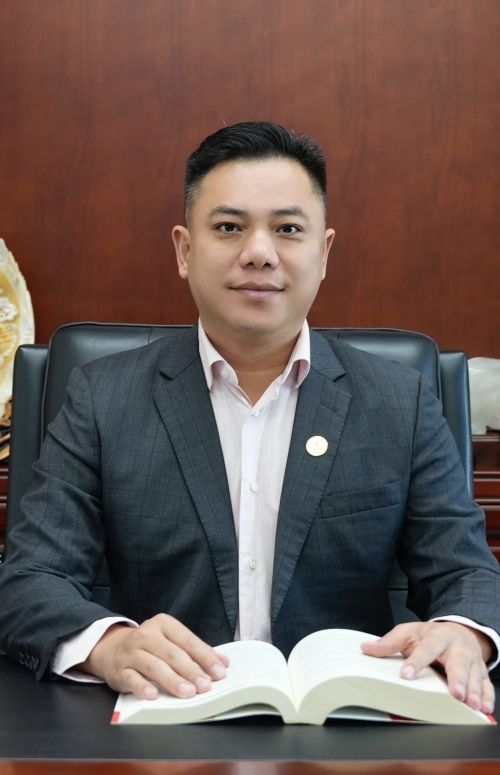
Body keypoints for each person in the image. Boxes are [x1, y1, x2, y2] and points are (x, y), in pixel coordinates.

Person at [1, 121, 499, 715]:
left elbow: (467, 572)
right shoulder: (103, 397)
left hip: (347, 728)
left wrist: (462, 631)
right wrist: (110, 646)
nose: (259, 252)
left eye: (288, 229)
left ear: (324, 253)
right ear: (185, 251)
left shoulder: (400, 401)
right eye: (229, 227)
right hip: (165, 720)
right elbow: (31, 580)